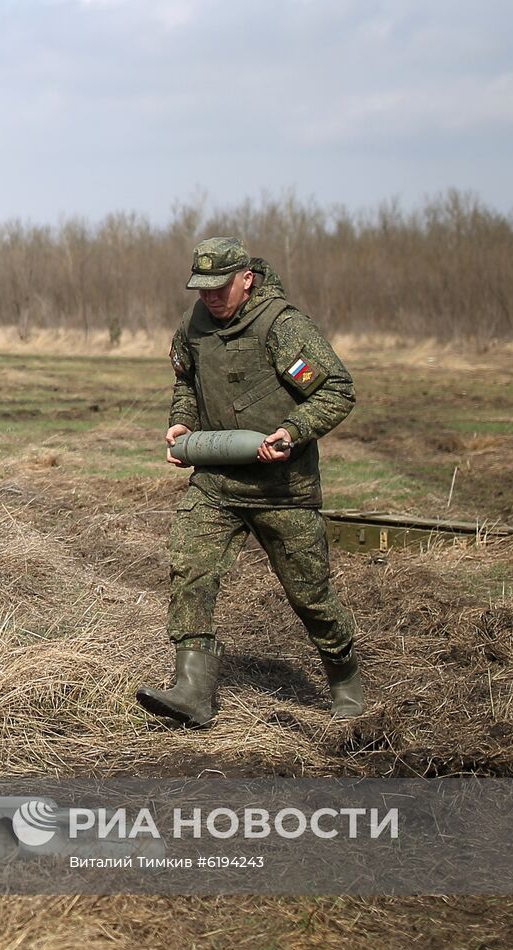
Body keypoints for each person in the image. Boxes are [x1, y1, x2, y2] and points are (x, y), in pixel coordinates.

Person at [135, 236, 364, 725]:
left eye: (220, 287)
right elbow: (185, 379)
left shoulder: (282, 327)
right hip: (216, 483)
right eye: (202, 288)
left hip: (283, 488)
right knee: (189, 570)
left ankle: (345, 683)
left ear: (246, 278)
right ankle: (192, 691)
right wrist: (182, 422)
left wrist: (293, 430)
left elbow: (337, 390)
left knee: (310, 595)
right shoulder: (194, 325)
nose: (210, 298)